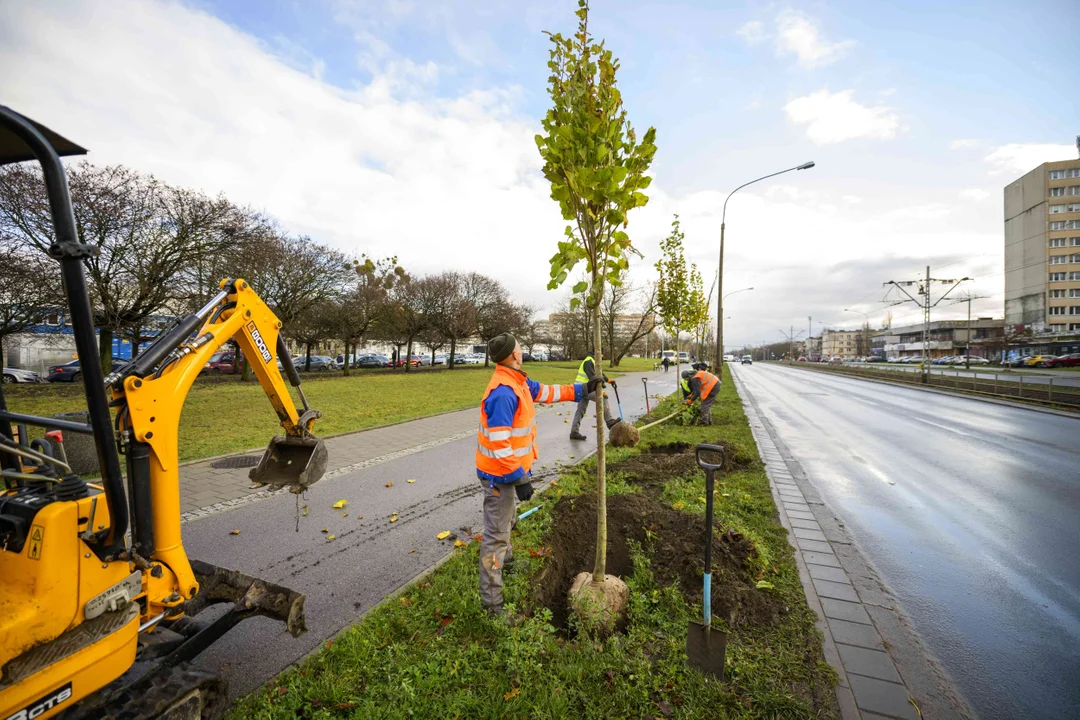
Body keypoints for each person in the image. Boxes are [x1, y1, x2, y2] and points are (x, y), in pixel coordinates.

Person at [476, 332, 599, 618]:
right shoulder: (503, 392)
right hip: (499, 476)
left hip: (507, 473)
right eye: (519, 347)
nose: (522, 350)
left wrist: (583, 390)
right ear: (514, 355)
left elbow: (547, 392)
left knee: (507, 521)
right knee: (495, 536)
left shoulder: (518, 382)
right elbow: (499, 443)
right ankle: (492, 606)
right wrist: (520, 478)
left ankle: (507, 560)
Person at [569, 348, 617, 441]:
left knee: (580, 410)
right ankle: (609, 421)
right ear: (597, 353)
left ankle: (574, 432)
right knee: (603, 397)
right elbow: (593, 378)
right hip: (583, 388)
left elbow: (600, 373)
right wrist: (601, 386)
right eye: (602, 354)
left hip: (582, 388)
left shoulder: (593, 361)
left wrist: (608, 380)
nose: (602, 356)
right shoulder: (588, 361)